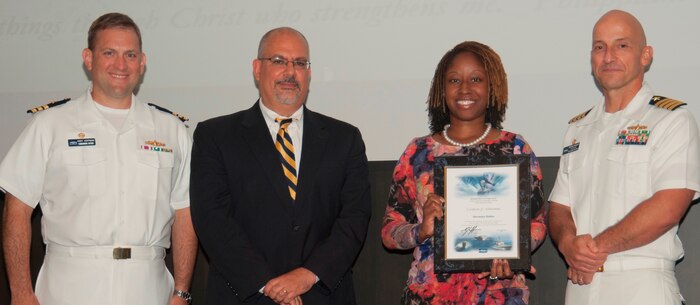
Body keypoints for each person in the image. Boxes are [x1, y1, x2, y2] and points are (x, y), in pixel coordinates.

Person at [0, 13, 198, 305]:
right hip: (68, 285)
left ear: (142, 62)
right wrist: (20, 293)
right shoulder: (49, 125)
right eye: (109, 53)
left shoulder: (171, 130)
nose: (121, 64)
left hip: (148, 287)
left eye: (130, 55)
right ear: (88, 59)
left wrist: (181, 292)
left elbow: (185, 215)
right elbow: (16, 210)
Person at [189, 27, 371, 305]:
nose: (290, 71)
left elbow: (355, 218)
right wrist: (269, 285)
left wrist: (306, 276)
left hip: (322, 294)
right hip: (245, 295)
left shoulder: (344, 139)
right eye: (278, 61)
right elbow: (212, 221)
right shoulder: (216, 136)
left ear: (309, 74)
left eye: (300, 63)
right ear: (257, 69)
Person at [548, 9, 700, 305]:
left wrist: (593, 250)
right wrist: (568, 245)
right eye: (599, 47)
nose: (608, 56)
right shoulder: (578, 129)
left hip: (641, 282)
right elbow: (559, 206)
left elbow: (668, 207)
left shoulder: (671, 120)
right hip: (580, 283)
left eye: (622, 45)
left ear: (646, 56)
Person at [381, 41, 547, 305]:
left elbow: (537, 223)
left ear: (492, 87)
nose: (465, 89)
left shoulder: (515, 148)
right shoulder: (418, 152)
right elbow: (389, 231)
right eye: (454, 80)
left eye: (476, 79)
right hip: (430, 296)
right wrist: (420, 231)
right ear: (441, 89)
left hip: (499, 294)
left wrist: (512, 254)